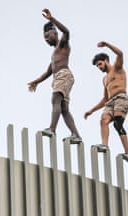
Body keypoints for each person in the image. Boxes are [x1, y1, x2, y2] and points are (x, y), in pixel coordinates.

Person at [28, 9, 81, 142]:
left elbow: (67, 32)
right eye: (44, 38)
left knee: (55, 99)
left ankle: (52, 129)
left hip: (63, 75)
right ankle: (76, 135)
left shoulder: (62, 45)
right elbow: (48, 72)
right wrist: (36, 82)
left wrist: (52, 19)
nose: (46, 39)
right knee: (63, 108)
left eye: (47, 35)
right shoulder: (54, 54)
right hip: (61, 76)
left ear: (55, 33)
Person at [84, 41, 128, 161]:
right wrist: (91, 111)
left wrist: (107, 45)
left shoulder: (117, 68)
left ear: (106, 60)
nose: (99, 67)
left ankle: (127, 153)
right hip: (110, 102)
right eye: (97, 66)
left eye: (100, 64)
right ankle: (105, 146)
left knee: (117, 123)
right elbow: (105, 99)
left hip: (121, 98)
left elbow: (120, 54)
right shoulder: (104, 79)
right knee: (103, 120)